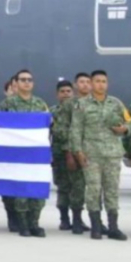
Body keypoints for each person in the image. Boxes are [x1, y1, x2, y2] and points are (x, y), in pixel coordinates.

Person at [71, 70, 129, 241]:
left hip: (112, 155)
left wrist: (124, 129)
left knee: (112, 191)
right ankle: (96, 226)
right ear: (91, 83)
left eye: (104, 81)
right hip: (91, 155)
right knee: (93, 191)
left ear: (107, 83)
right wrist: (78, 152)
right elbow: (76, 130)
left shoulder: (116, 103)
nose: (101, 84)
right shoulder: (81, 105)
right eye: (97, 81)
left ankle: (113, 227)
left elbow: (128, 121)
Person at [0, 69, 50, 237]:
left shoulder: (40, 104)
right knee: (20, 192)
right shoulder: (6, 105)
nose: (26, 82)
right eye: (22, 80)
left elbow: (48, 128)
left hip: (35, 156)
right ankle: (22, 224)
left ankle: (34, 223)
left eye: (29, 80)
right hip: (15, 156)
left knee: (37, 192)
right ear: (17, 83)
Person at [50, 79, 78, 232]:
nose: (66, 94)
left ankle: (77, 219)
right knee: (63, 188)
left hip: (78, 153)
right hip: (59, 155)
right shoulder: (52, 112)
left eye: (68, 91)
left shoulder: (79, 110)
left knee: (78, 188)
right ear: (57, 94)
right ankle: (64, 219)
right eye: (62, 92)